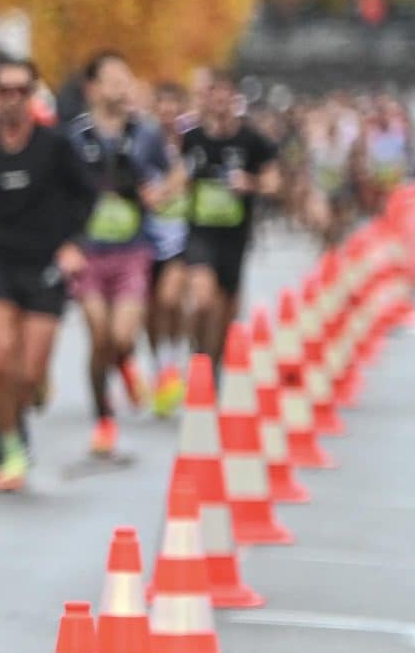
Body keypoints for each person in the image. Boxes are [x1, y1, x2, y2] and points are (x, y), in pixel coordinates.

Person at [0, 54, 97, 490]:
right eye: (4, 92)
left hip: (46, 265)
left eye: (22, 91)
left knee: (28, 377)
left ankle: (20, 410)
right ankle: (11, 446)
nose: (13, 100)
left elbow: (87, 198)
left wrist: (75, 245)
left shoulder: (55, 145)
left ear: (34, 95)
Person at [64, 51, 176, 458]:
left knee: (123, 334)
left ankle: (126, 361)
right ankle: (104, 419)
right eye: (113, 79)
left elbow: (175, 171)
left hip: (133, 248)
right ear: (92, 88)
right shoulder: (73, 137)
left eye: (125, 78)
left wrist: (160, 193)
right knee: (99, 336)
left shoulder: (145, 134)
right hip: (88, 252)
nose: (121, 86)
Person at [177, 72, 280, 363]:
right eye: (214, 94)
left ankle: (213, 360)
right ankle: (198, 352)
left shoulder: (252, 140)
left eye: (226, 95)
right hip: (200, 231)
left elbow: (274, 183)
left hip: (235, 233)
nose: (220, 101)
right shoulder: (192, 138)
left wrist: (251, 183)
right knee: (202, 299)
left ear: (235, 99)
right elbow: (178, 175)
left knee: (225, 308)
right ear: (207, 99)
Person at [141, 75, 195, 415]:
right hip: (146, 235)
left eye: (173, 108)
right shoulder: (142, 144)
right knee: (150, 306)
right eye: (161, 107)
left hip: (183, 235)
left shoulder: (192, 145)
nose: (167, 114)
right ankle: (160, 363)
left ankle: (173, 359)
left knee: (170, 299)